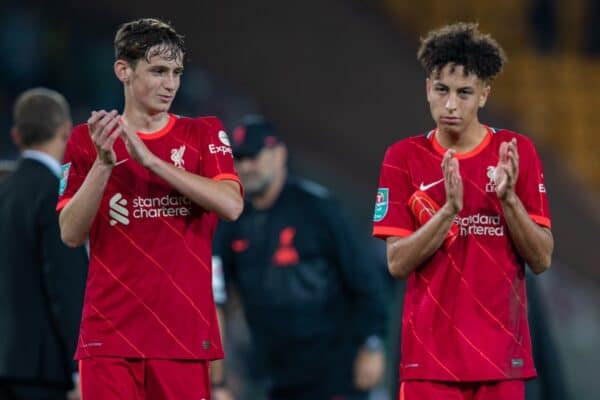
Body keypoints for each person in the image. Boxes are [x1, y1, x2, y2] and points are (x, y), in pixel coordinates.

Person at [57, 18, 243, 400]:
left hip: (182, 337)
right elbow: (70, 233)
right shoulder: (86, 140)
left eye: (176, 72)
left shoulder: (203, 133)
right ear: (123, 70)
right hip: (108, 337)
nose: (171, 84)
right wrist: (104, 163)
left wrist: (153, 162)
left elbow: (231, 204)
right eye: (158, 71)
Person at [372, 22, 554, 400]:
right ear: (427, 89)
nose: (451, 104)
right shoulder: (402, 158)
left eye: (464, 93)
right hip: (429, 364)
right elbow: (396, 263)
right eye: (442, 90)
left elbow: (541, 258)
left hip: (500, 361)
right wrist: (448, 211)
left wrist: (509, 200)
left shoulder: (515, 152)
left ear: (484, 95)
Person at [212, 116, 388, 400]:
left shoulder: (317, 209)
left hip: (337, 373)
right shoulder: (232, 223)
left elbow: (365, 279)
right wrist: (217, 382)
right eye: (239, 158)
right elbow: (213, 300)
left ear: (279, 154)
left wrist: (372, 344)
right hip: (278, 379)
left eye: (253, 156)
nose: (245, 167)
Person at [0, 88, 88, 400]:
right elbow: (65, 286)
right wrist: (80, 367)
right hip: (44, 368)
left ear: (16, 135)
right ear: (66, 130)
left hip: (7, 362)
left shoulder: (5, 192)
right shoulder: (56, 196)